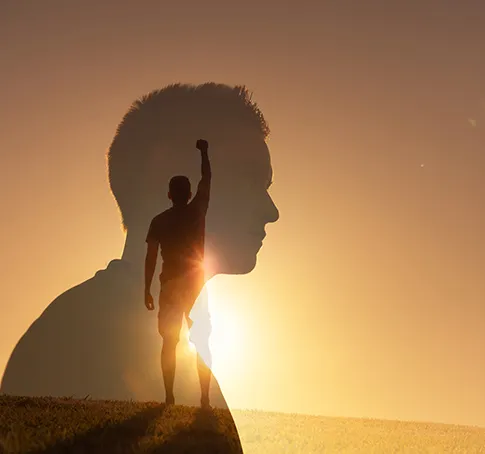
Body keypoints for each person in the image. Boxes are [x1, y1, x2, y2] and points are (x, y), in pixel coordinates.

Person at [1, 83, 279, 411]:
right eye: (251, 180)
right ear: (170, 175)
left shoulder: (180, 357)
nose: (271, 212)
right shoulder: (74, 341)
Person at [144, 138, 214, 407]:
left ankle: (169, 397)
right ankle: (205, 399)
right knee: (202, 341)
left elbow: (150, 258)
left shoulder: (159, 221)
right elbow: (207, 178)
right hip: (196, 284)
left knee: (169, 341)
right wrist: (204, 152)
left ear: (170, 194)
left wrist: (146, 289)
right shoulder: (198, 211)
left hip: (171, 284)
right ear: (187, 193)